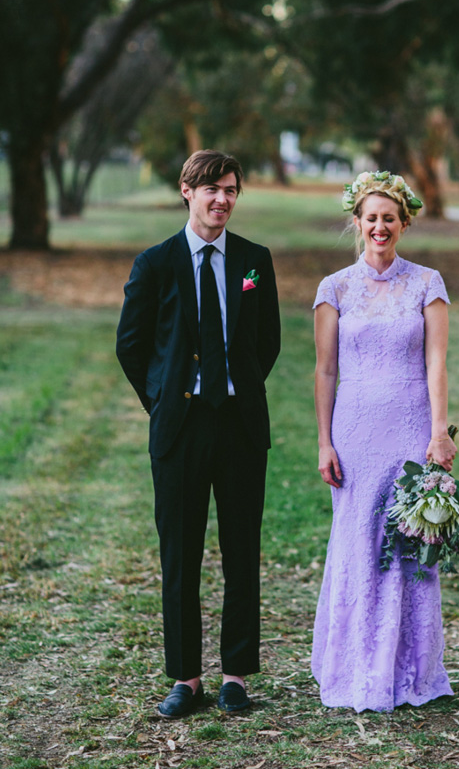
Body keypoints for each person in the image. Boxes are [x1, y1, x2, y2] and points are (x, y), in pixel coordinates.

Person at [116, 150, 280, 719]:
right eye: (211, 188)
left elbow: (269, 342)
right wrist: (163, 403)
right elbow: (131, 347)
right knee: (180, 555)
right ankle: (186, 678)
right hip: (179, 431)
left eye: (231, 190)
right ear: (187, 191)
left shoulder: (255, 261)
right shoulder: (155, 263)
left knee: (241, 552)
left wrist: (241, 385)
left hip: (239, 425)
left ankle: (235, 676)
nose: (222, 199)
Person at [311, 169, 457, 713]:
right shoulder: (335, 288)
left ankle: (408, 669)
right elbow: (325, 371)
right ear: (357, 222)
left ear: (404, 223)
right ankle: (352, 665)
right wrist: (324, 441)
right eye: (370, 218)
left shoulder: (427, 283)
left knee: (407, 546)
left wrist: (438, 430)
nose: (379, 227)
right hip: (353, 430)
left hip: (410, 426)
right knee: (357, 543)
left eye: (389, 218)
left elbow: (437, 361)